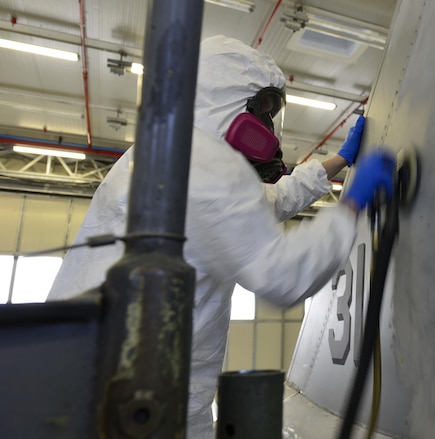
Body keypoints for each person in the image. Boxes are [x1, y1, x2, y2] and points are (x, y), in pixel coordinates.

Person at [46, 35, 394, 438]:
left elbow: (264, 202)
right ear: (226, 100)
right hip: (141, 407)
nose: (268, 129)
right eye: (262, 110)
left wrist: (340, 161)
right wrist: (350, 208)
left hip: (79, 389)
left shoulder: (164, 153)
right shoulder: (205, 166)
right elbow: (283, 275)